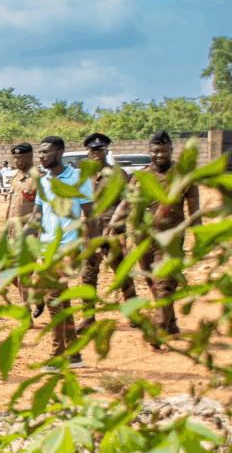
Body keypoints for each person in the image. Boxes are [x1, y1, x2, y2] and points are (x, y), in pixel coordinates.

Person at [108, 130, 200, 347]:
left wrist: (199, 237)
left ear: (171, 151)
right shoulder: (140, 176)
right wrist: (114, 226)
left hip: (171, 237)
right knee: (151, 281)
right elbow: (126, 204)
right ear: (149, 151)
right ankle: (171, 323)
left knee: (164, 282)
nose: (160, 155)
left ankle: (158, 330)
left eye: (165, 151)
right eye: (156, 151)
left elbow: (194, 210)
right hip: (143, 238)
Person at [25, 137, 95, 370]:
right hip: (46, 249)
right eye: (40, 152)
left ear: (60, 152)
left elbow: (90, 215)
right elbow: (37, 216)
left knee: (52, 300)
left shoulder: (77, 178)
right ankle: (74, 356)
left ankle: (58, 356)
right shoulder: (43, 181)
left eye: (47, 152)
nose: (42, 156)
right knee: (60, 302)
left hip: (67, 248)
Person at [80, 133, 136, 330]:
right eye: (93, 150)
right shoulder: (83, 176)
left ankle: (133, 313)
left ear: (106, 152)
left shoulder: (118, 174)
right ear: (88, 152)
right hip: (90, 232)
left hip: (113, 232)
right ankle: (88, 318)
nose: (96, 153)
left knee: (121, 271)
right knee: (88, 275)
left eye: (100, 150)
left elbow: (126, 204)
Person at [4, 143, 42, 316]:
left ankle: (25, 313)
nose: (17, 161)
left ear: (30, 156)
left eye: (20, 157)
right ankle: (36, 296)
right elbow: (11, 206)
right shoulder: (15, 177)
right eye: (15, 158)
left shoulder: (39, 178)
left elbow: (41, 211)